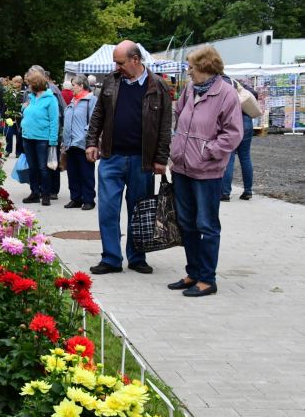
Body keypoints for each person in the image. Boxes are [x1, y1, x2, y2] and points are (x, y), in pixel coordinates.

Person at [85, 40, 172, 275]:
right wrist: (92, 142)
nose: (116, 66)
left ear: (136, 60)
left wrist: (161, 159)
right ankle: (111, 258)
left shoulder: (158, 86)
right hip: (111, 157)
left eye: (120, 62)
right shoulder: (112, 82)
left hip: (142, 161)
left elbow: (165, 126)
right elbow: (98, 115)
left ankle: (137, 257)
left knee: (139, 210)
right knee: (108, 209)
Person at [168, 46, 242, 297]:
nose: (188, 72)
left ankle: (208, 278)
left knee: (206, 224)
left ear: (206, 68)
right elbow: (179, 116)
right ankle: (194, 272)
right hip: (182, 167)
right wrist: (177, 147)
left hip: (207, 171)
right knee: (186, 222)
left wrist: (207, 151)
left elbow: (233, 135)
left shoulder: (227, 94)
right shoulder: (189, 89)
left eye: (192, 68)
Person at [21, 69, 59, 206]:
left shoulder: (51, 99)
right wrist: (23, 108)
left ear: (36, 84)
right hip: (27, 137)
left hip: (42, 139)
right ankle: (35, 193)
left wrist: (53, 141)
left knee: (43, 168)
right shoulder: (31, 98)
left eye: (29, 83)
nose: (28, 86)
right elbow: (27, 113)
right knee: (32, 167)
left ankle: (46, 194)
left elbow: (54, 121)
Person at [62, 74, 97, 210]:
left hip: (83, 143)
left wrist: (84, 134)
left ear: (82, 86)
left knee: (86, 172)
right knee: (73, 172)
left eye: (74, 85)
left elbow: (94, 120)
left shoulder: (90, 100)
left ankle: (88, 199)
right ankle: (75, 198)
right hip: (70, 143)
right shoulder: (73, 101)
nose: (72, 88)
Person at [221, 83, 256, 201]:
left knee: (229, 157)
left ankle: (225, 193)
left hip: (232, 121)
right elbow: (254, 94)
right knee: (245, 156)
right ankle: (248, 191)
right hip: (246, 121)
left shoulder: (222, 84)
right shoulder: (238, 83)